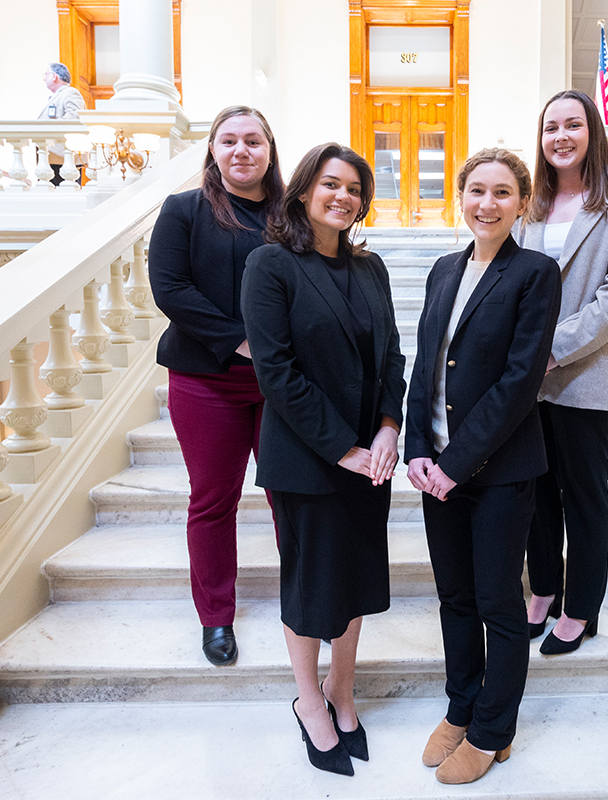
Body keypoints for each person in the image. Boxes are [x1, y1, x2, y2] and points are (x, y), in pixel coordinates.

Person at [241, 143, 405, 777]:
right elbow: (276, 373)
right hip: (310, 459)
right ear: (305, 190)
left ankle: (343, 689)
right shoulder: (270, 265)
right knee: (312, 584)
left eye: (355, 189)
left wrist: (390, 427)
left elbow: (391, 355)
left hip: (372, 457)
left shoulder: (372, 269)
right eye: (331, 184)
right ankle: (308, 700)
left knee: (357, 576)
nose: (344, 197)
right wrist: (345, 447)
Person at [405, 148, 560, 785]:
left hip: (497, 471)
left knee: (498, 602)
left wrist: (457, 463)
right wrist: (418, 448)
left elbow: (520, 382)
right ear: (461, 197)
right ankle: (461, 704)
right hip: (436, 470)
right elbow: (424, 362)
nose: (487, 204)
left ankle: (495, 728)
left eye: (502, 193)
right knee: (454, 598)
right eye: (476, 191)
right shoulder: (444, 269)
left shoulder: (535, 272)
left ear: (521, 202)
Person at [147, 106, 284, 667]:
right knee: (212, 501)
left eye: (253, 140)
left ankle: (307, 601)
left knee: (291, 496)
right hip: (207, 381)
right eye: (228, 140)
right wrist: (240, 342)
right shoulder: (184, 211)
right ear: (213, 150)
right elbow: (170, 288)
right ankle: (216, 618)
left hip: (280, 384)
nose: (241, 150)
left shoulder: (292, 216)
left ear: (270, 150)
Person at [518, 89, 608, 656]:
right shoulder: (528, 205)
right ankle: (544, 589)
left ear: (592, 132)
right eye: (551, 128)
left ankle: (581, 607)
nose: (561, 137)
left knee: (584, 498)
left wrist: (549, 349)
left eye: (573, 125)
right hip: (523, 384)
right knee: (534, 496)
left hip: (581, 377)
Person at [38, 63, 86, 185]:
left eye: (46, 74)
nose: (44, 78)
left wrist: (47, 128)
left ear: (54, 76)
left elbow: (74, 118)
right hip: (53, 156)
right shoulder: (57, 96)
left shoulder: (70, 93)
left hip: (63, 157)